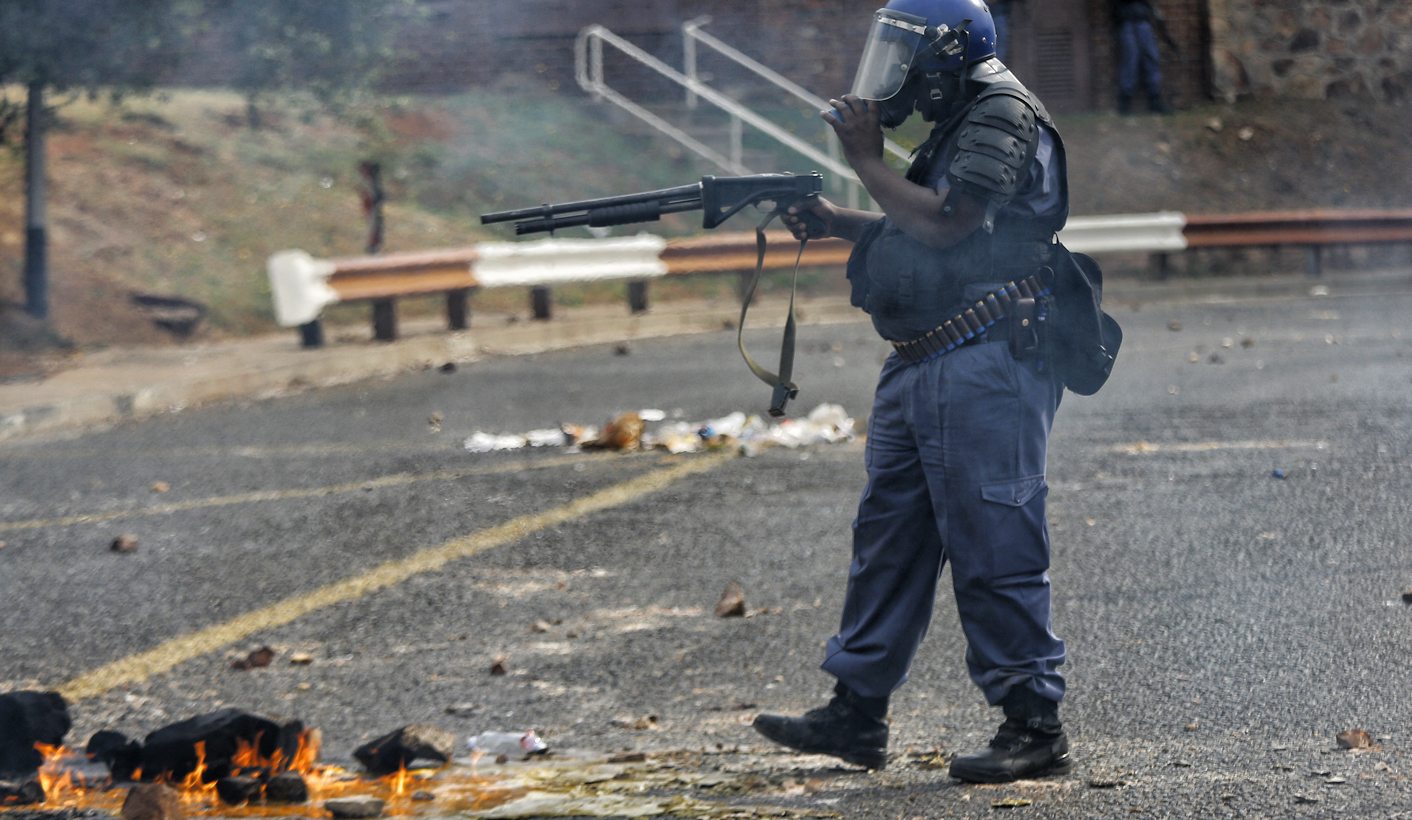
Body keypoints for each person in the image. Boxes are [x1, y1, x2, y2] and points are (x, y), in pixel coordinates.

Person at [753, 0, 1073, 784]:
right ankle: (856, 712)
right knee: (888, 541)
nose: (891, 66)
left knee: (995, 542)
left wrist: (864, 161)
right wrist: (837, 219)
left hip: (987, 359)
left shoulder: (1001, 113)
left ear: (947, 53)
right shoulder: (961, 112)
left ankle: (1033, 724)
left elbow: (951, 226)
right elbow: (917, 230)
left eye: (905, 49)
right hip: (924, 359)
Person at [1114, 0, 1172, 113]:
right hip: (1127, 22)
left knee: (1151, 59)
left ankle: (1155, 100)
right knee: (1131, 60)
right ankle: (1125, 103)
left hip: (1143, 21)